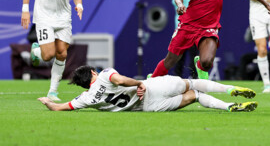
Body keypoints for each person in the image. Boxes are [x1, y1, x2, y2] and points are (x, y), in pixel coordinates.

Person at [21, 0, 83, 101]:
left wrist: (79, 4)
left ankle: (53, 92)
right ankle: (36, 50)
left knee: (62, 53)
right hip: (44, 16)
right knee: (48, 55)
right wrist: (25, 10)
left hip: (63, 16)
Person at [38, 65, 258, 113]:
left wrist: (48, 102)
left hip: (149, 106)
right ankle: (229, 89)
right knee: (192, 84)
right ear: (93, 74)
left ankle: (230, 106)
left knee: (195, 96)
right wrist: (139, 83)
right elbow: (121, 79)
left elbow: (60, 108)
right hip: (151, 88)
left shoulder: (86, 99)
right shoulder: (104, 76)